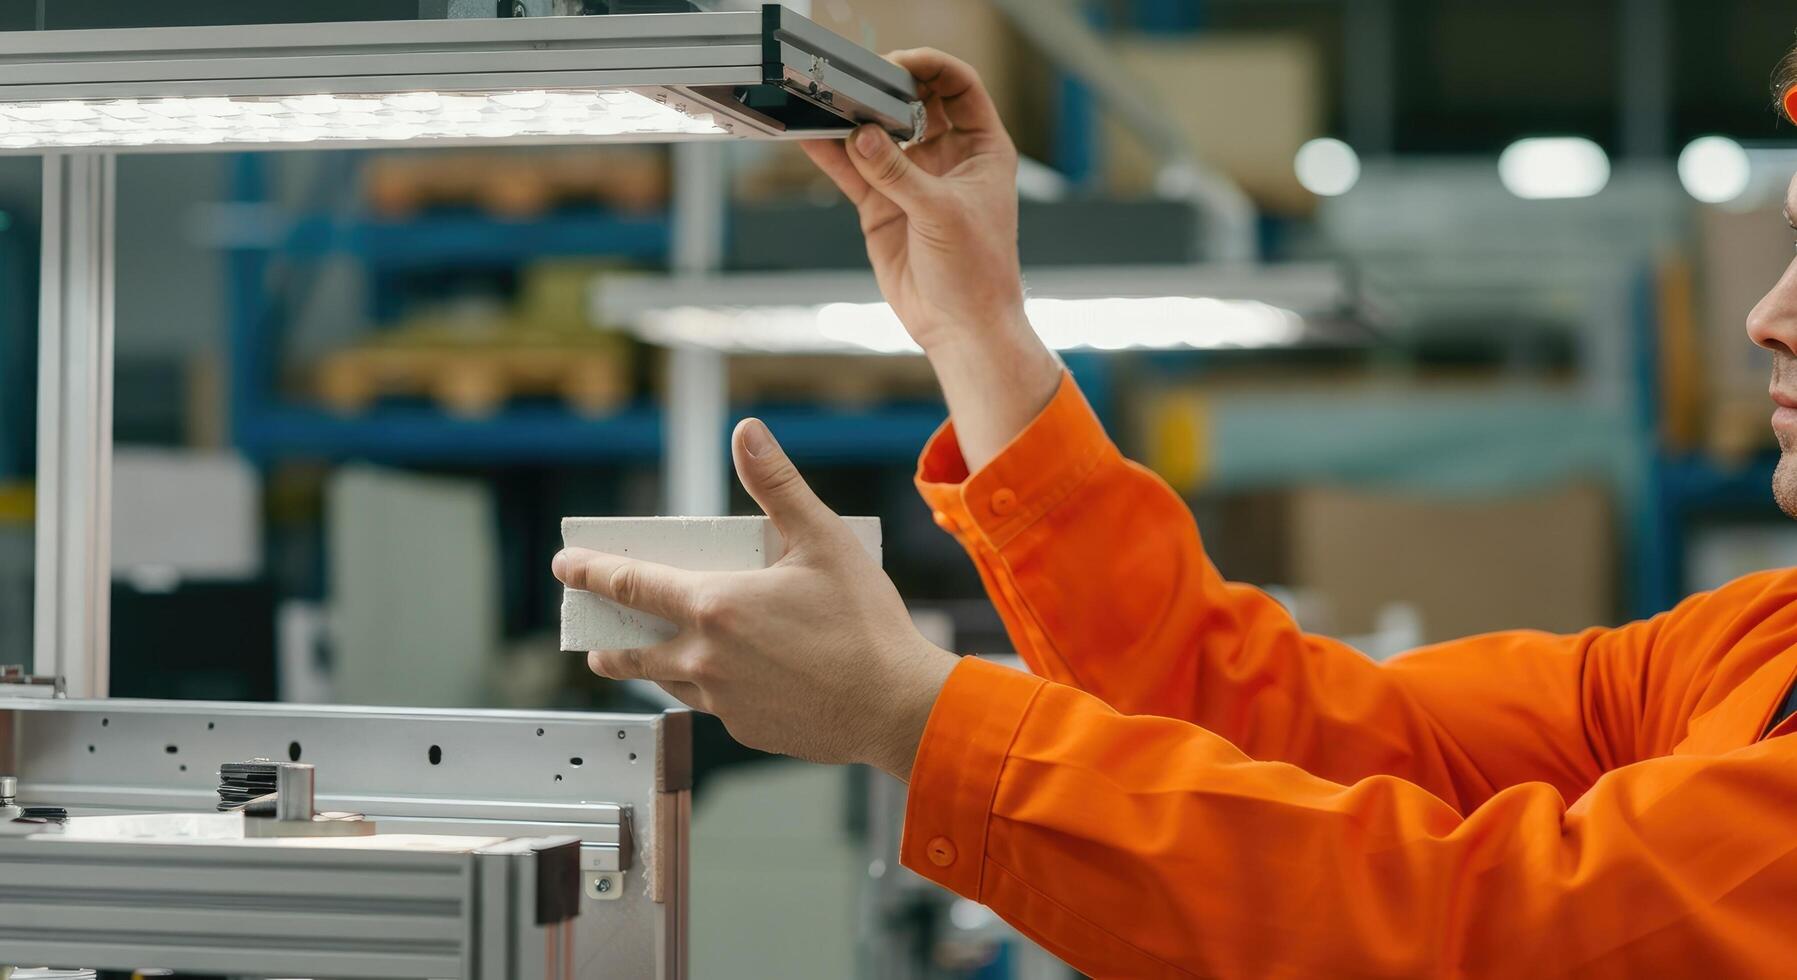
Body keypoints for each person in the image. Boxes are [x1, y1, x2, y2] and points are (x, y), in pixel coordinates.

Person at [553, 48, 1797, 976]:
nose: (1767, 317)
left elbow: (1474, 933)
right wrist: (978, 326)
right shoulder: (1759, 647)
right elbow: (1284, 727)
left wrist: (913, 717)